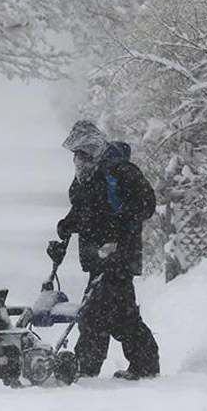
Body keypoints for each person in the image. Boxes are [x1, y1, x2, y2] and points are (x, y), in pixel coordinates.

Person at [48, 119, 160, 381]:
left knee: (113, 317)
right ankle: (104, 368)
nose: (78, 160)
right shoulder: (86, 179)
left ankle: (94, 369)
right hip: (99, 259)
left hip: (119, 257)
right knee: (105, 316)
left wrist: (118, 235)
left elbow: (145, 206)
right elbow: (84, 210)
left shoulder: (121, 173)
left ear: (94, 150)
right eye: (76, 156)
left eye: (82, 154)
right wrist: (67, 225)